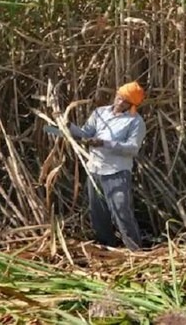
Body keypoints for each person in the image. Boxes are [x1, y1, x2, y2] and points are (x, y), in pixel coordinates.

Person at [67, 81, 147, 251]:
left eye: (125, 101)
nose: (119, 103)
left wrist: (105, 143)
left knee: (121, 210)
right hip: (95, 169)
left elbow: (132, 148)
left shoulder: (135, 122)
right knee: (98, 212)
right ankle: (106, 248)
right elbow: (86, 133)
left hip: (116, 172)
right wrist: (68, 126)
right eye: (119, 97)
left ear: (131, 105)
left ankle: (135, 250)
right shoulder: (100, 113)